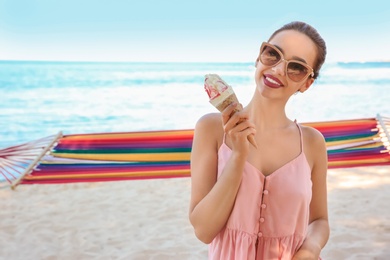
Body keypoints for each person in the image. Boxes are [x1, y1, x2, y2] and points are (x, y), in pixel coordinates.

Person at [189, 21, 329, 260]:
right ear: (258, 57)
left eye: (295, 67)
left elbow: (320, 220)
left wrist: (309, 249)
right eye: (272, 54)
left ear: (307, 83)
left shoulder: (312, 143)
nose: (277, 70)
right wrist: (239, 156)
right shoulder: (212, 129)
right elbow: (203, 230)